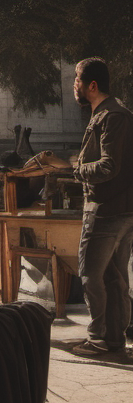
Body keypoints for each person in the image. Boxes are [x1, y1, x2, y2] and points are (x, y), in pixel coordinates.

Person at [71, 57, 133, 358]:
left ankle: (97, 339)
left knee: (90, 274)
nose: (75, 85)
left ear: (92, 85)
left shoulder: (113, 116)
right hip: (118, 210)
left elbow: (109, 166)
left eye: (78, 80)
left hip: (106, 210)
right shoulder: (110, 115)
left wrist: (76, 168)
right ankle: (114, 340)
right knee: (113, 277)